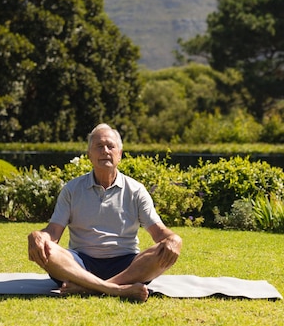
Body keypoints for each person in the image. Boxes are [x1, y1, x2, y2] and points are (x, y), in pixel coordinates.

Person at [27, 123, 182, 302]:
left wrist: (174, 239)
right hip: (80, 264)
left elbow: (159, 232)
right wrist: (38, 236)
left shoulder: (136, 190)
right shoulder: (72, 189)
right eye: (99, 146)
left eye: (110, 146)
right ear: (89, 155)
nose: (105, 151)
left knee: (163, 250)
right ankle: (116, 289)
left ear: (119, 154)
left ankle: (88, 288)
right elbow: (53, 233)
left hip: (127, 265)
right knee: (48, 250)